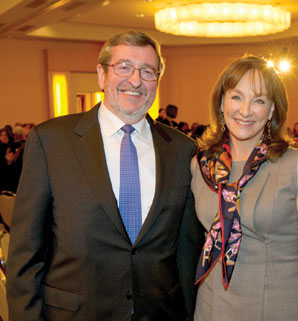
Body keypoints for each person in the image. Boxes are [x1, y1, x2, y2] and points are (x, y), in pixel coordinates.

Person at [6, 31, 204, 321]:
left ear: (157, 80)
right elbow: (25, 255)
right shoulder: (51, 142)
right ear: (101, 74)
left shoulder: (182, 150)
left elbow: (187, 253)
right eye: (124, 67)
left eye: (148, 71)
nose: (135, 80)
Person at [191, 55, 298, 321]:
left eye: (259, 100)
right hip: (211, 306)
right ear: (221, 102)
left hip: (279, 306)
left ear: (273, 110)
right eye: (237, 97)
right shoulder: (201, 166)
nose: (245, 110)